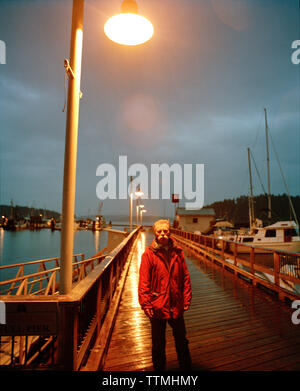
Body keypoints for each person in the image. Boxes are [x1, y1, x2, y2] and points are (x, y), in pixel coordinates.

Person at [138, 219, 192, 371]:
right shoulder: (149, 254)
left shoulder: (178, 251)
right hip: (157, 305)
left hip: (176, 303)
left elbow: (185, 277)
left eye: (165, 231)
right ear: (155, 233)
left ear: (169, 232)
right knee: (158, 344)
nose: (162, 234)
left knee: (182, 340)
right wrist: (146, 303)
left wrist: (187, 298)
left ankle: (186, 370)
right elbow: (144, 281)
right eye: (159, 231)